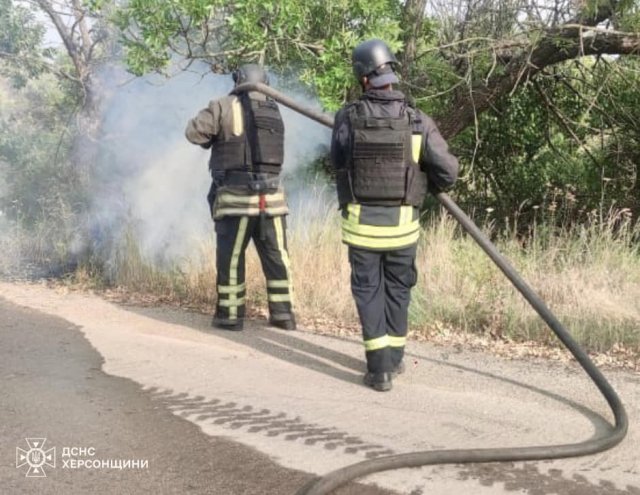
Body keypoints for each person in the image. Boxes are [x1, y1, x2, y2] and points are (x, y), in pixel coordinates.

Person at [331, 39, 459, 391]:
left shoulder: (347, 117)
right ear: (392, 75)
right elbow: (448, 173)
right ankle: (396, 358)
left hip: (362, 229)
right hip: (403, 230)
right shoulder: (418, 120)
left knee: (369, 293)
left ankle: (379, 370)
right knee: (399, 291)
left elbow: (337, 161)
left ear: (363, 78)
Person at [185, 63, 296, 332]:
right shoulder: (274, 109)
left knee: (231, 259)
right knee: (277, 257)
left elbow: (194, 132)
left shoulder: (222, 105)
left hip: (236, 200)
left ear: (238, 81)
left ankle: (230, 315)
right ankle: (283, 314)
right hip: (272, 201)